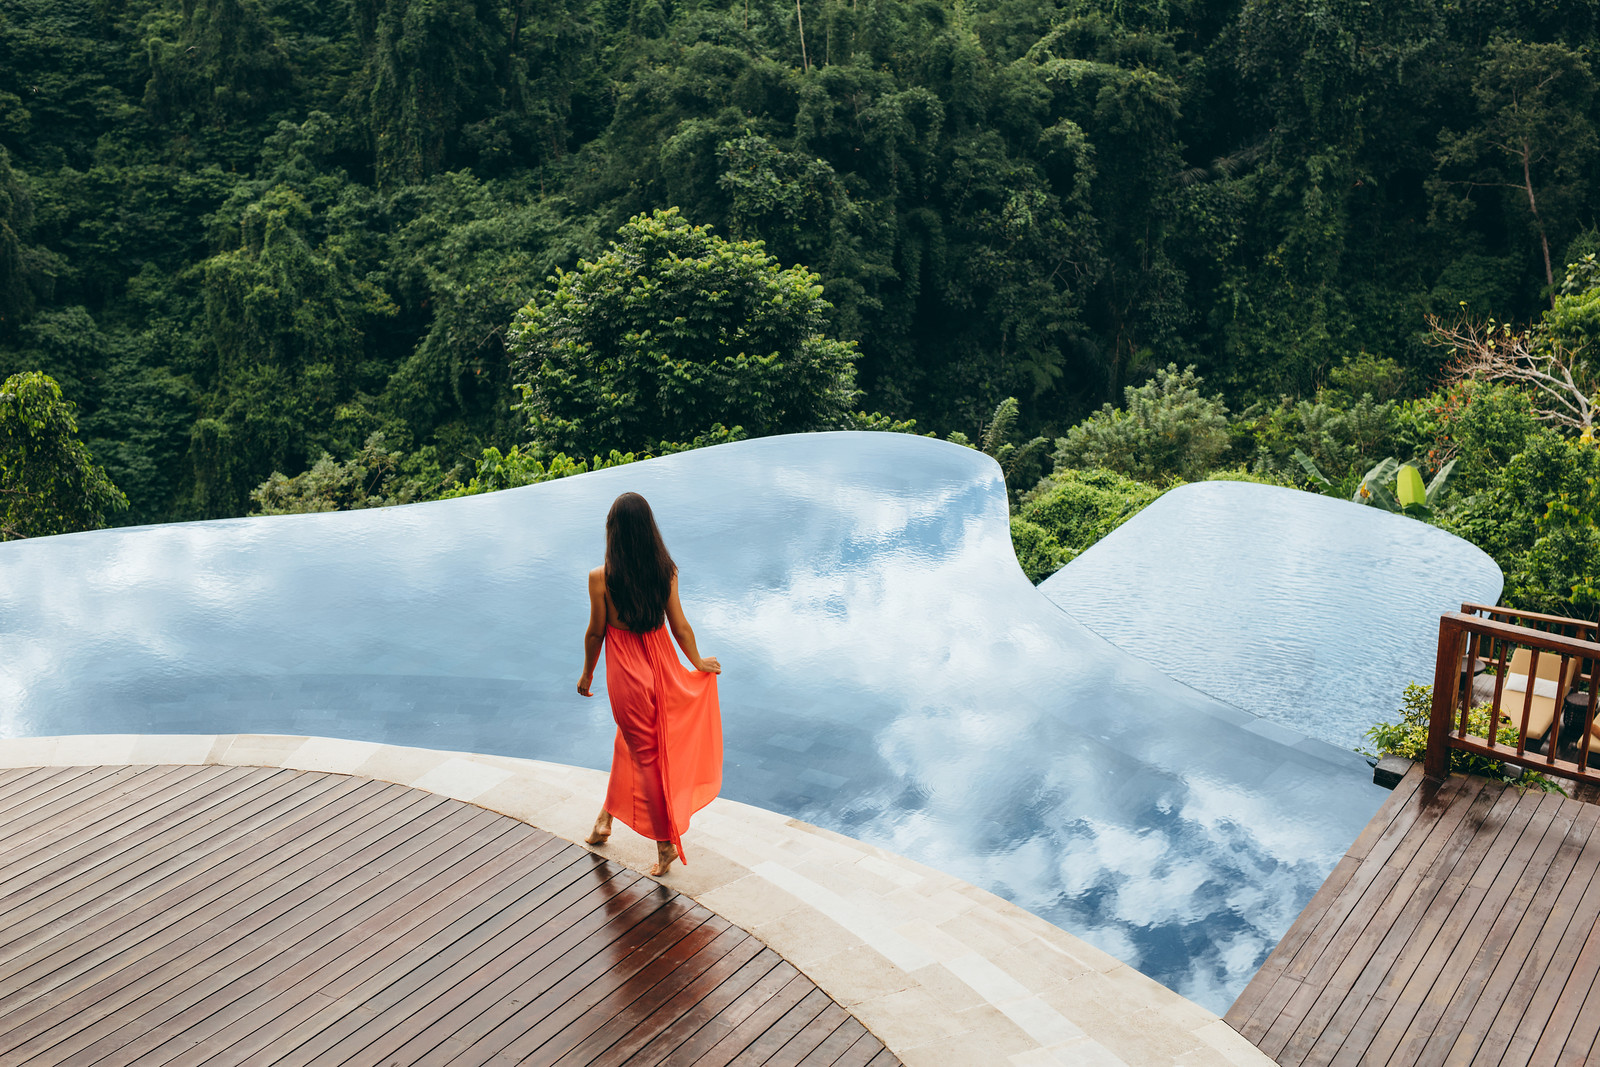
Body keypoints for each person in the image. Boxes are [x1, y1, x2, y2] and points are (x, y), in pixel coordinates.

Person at [577, 492, 723, 877]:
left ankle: (664, 843)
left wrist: (588, 673)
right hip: (663, 667)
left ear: (614, 532)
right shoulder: (666, 570)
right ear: (648, 531)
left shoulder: (600, 578)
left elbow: (595, 634)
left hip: (628, 674)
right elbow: (680, 626)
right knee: (628, 742)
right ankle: (603, 821)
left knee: (644, 756)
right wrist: (697, 662)